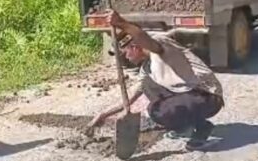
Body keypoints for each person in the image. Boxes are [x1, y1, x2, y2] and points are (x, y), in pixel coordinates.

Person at [85, 10, 224, 151]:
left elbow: (145, 39)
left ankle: (202, 130)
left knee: (156, 110)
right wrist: (102, 115)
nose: (126, 58)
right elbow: (129, 99)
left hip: (207, 96)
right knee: (149, 87)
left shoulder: (159, 46)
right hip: (189, 96)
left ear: (135, 47)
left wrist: (121, 23)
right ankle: (184, 126)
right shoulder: (146, 69)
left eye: (125, 53)